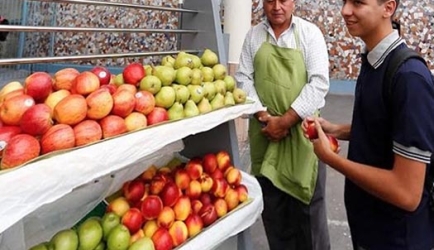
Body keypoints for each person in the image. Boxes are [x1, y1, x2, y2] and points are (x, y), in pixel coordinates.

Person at [302, 0, 434, 249]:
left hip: (397, 240)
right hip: (370, 231)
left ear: (388, 8)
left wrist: (332, 160)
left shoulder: (409, 79)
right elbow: (382, 129)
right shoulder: (374, 61)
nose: (345, 11)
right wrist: (335, 129)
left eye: (358, 3)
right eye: (344, 2)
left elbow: (407, 193)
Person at [234, 0, 330, 249]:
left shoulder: (310, 34)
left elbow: (318, 84)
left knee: (308, 215)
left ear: (294, 2)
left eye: (284, 0)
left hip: (303, 137)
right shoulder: (254, 36)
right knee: (275, 214)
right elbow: (243, 79)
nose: (276, 6)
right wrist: (263, 116)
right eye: (269, 0)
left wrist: (285, 121)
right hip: (266, 134)